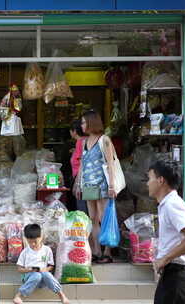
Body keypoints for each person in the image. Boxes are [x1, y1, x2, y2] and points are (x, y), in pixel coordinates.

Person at [147, 160, 185, 304]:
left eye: (150, 178)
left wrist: (164, 259)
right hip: (172, 275)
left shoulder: (173, 204)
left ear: (161, 181)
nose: (147, 183)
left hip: (178, 277)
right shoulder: (166, 205)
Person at [76, 110, 118, 264]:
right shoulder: (83, 142)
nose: (82, 125)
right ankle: (97, 251)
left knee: (103, 217)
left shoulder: (104, 140)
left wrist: (112, 185)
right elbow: (82, 164)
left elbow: (110, 163)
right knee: (92, 218)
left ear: (91, 122)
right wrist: (79, 183)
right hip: (88, 184)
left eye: (84, 122)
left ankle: (107, 252)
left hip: (102, 184)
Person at [13, 224, 69, 304]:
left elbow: (51, 266)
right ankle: (18, 296)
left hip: (44, 278)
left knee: (46, 274)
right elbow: (19, 269)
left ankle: (62, 295)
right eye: (30, 242)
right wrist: (28, 269)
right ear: (26, 240)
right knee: (36, 275)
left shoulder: (47, 250)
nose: (32, 244)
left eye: (35, 242)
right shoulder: (25, 252)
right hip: (29, 277)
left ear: (41, 237)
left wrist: (45, 269)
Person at [70, 119, 88, 214]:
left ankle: (85, 227)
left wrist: (77, 184)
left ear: (74, 131)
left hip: (81, 179)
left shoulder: (81, 142)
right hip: (85, 179)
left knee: (83, 208)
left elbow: (82, 162)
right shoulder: (84, 141)